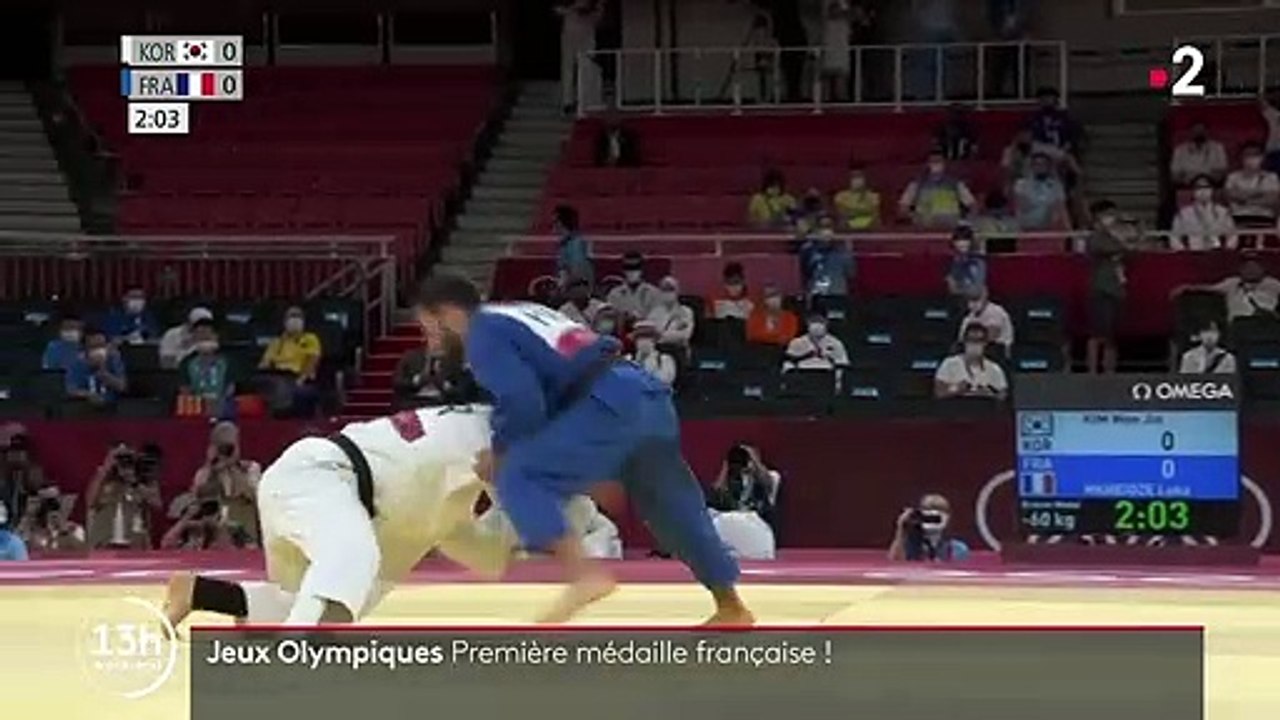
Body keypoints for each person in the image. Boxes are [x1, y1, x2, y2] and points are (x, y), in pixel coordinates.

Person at [413, 275, 754, 625]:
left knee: (520, 471)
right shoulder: (519, 312)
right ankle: (730, 605)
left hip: (604, 402)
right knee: (673, 510)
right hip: (644, 395)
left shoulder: (482, 334)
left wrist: (499, 452)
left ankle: (583, 575)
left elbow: (522, 401)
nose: (432, 342)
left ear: (451, 314)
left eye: (430, 329)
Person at [161, 404, 547, 628]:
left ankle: (198, 592)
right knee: (350, 561)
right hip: (323, 476)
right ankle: (289, 663)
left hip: (333, 500)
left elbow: (492, 556)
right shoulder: (485, 427)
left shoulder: (450, 509)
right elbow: (493, 465)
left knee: (319, 609)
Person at [189, 421, 262, 545]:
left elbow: (253, 496)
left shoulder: (251, 469)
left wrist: (233, 467)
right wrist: (210, 465)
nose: (227, 451)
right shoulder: (205, 473)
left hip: (246, 538)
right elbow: (195, 501)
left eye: (230, 447)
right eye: (222, 447)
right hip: (215, 541)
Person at [85, 443, 162, 549]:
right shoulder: (103, 480)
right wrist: (106, 467)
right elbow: (90, 501)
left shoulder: (144, 480)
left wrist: (133, 481)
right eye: (120, 459)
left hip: (134, 543)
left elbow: (157, 503)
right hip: (104, 542)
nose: (124, 462)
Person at [1085, 200, 1129, 374]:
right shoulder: (1095, 237)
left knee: (1111, 336)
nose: (1113, 218)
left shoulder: (1115, 236)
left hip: (1117, 290)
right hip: (1101, 290)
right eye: (1108, 215)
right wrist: (1122, 243)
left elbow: (1133, 253)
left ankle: (1109, 373)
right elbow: (1112, 248)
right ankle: (1093, 372)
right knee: (1097, 334)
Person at [259, 306, 322, 416]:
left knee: (295, 392)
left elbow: (312, 361)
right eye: (291, 316)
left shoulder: (310, 339)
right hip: (277, 376)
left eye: (298, 317)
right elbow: (265, 363)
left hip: (298, 378)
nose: (295, 320)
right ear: (285, 321)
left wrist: (301, 380)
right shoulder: (277, 342)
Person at [1175, 257, 1280, 323]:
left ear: (1263, 269)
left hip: (1267, 323)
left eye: (1255, 267)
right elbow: (1208, 288)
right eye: (1247, 267)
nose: (1251, 270)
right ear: (1240, 270)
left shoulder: (1273, 283)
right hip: (1238, 323)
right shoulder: (1232, 283)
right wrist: (1186, 287)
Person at [898, 149, 975, 228]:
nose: (936, 163)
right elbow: (903, 206)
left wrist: (967, 220)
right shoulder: (917, 184)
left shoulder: (955, 183)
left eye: (938, 161)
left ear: (944, 163)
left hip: (951, 225)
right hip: (924, 226)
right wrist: (913, 218)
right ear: (928, 164)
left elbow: (972, 204)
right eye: (933, 161)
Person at [933, 323, 1009, 399]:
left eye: (979, 340)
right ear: (964, 342)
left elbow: (1002, 396)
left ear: (985, 343)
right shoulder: (949, 364)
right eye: (971, 340)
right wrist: (957, 389)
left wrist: (988, 394)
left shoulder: (994, 369)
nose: (975, 344)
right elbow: (939, 393)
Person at [888, 493, 970, 561]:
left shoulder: (958, 549)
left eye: (937, 518)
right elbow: (895, 564)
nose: (932, 520)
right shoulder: (908, 546)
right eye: (928, 517)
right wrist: (901, 528)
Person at [179, 319, 235, 416]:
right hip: (194, 408)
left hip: (222, 407)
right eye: (200, 335)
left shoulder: (229, 361)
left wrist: (217, 404)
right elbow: (184, 388)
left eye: (208, 335)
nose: (204, 337)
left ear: (216, 336)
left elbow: (231, 388)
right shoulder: (186, 362)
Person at [1170, 175, 1238, 251]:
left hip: (1217, 253)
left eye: (1207, 188)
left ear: (1212, 190)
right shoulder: (1183, 214)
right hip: (1193, 253)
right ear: (1193, 192)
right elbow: (1174, 237)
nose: (1203, 191)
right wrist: (1184, 252)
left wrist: (1226, 250)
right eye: (1198, 188)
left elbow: (1233, 236)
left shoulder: (1223, 212)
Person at [557, 0, 602, 112]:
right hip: (570, 32)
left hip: (586, 34)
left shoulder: (594, 5)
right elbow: (557, 10)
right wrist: (572, 9)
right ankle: (567, 101)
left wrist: (591, 11)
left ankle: (585, 100)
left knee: (587, 67)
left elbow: (599, 16)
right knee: (568, 68)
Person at [65, 328, 127, 406]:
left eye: (102, 346)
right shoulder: (76, 363)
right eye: (93, 347)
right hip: (85, 409)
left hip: (113, 408)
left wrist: (104, 373)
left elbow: (122, 387)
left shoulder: (113, 359)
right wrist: (88, 395)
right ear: (84, 348)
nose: (99, 350)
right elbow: (70, 390)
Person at [1224, 142, 1280, 228]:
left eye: (1255, 155)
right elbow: (1230, 196)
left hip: (1265, 218)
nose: (1251, 159)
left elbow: (1272, 199)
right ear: (1241, 158)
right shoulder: (1233, 177)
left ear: (1262, 158)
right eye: (1247, 155)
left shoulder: (1271, 177)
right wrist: (1259, 195)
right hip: (1238, 218)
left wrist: (1244, 199)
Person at [798, 215, 855, 299]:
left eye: (829, 227)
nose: (826, 231)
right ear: (816, 230)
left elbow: (851, 273)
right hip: (817, 294)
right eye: (822, 227)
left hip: (837, 295)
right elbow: (805, 274)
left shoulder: (843, 251)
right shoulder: (808, 250)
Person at [17, 486, 86, 553]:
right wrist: (28, 519)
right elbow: (15, 550)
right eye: (43, 502)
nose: (48, 507)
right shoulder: (27, 526)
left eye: (53, 501)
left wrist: (63, 530)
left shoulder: (74, 529)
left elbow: (84, 552)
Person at [1012, 151, 1068, 230]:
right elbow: (1024, 205)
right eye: (1036, 164)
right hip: (1026, 225)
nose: (1040, 167)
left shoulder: (1056, 186)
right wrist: (1046, 204)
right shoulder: (1021, 184)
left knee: (1055, 211)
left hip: (1048, 224)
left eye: (1043, 164)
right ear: (1031, 166)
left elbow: (1060, 207)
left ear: (1048, 167)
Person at [644, 276, 696, 354]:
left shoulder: (686, 312)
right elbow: (649, 333)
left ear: (677, 292)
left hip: (678, 350)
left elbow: (685, 335)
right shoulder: (654, 312)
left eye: (671, 289)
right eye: (664, 290)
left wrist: (662, 335)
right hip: (658, 350)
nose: (668, 293)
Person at [957, 285, 1014, 355]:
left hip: (996, 350)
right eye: (970, 300)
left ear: (984, 297)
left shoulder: (996, 311)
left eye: (976, 299)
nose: (973, 304)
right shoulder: (968, 318)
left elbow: (992, 335)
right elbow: (962, 339)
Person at [605, 251, 660, 322]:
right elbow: (609, 318)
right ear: (623, 270)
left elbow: (658, 319)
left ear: (642, 269)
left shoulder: (654, 293)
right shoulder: (614, 294)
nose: (632, 272)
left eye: (635, 267)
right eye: (628, 268)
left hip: (645, 330)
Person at [783, 314, 850, 371]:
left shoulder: (835, 343)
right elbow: (788, 362)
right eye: (813, 322)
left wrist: (830, 358)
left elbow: (843, 362)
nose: (817, 327)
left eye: (821, 322)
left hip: (827, 373)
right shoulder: (796, 342)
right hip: (803, 373)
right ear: (808, 325)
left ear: (826, 325)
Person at [1170, 122, 1229, 187]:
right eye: (1195, 131)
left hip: (1212, 184)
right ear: (1190, 132)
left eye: (1201, 130)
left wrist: (1206, 177)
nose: (1199, 133)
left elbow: (1223, 169)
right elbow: (1175, 174)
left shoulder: (1218, 147)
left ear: (1207, 132)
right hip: (1186, 185)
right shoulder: (1179, 150)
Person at [552, 204, 593, 287]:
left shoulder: (575, 244)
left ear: (562, 223)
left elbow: (577, 273)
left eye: (555, 221)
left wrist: (562, 288)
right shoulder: (565, 244)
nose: (553, 225)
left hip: (576, 291)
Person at [630, 322, 677, 387]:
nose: (644, 342)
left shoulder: (665, 360)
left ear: (654, 341)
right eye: (640, 339)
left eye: (648, 338)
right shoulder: (629, 360)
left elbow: (663, 381)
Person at [821, 0, 851, 102]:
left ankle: (842, 102)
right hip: (829, 49)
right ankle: (824, 103)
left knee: (841, 81)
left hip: (842, 49)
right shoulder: (825, 21)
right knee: (826, 79)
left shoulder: (845, 21)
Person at [944, 225, 987, 297]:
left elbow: (976, 290)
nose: (961, 243)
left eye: (965, 240)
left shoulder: (977, 260)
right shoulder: (955, 260)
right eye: (958, 241)